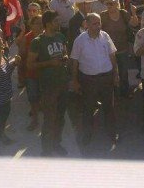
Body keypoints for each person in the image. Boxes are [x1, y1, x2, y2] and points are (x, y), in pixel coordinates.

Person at [71, 13, 119, 146]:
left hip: (106, 78)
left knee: (109, 107)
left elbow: (112, 56)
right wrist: (74, 80)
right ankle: (87, 135)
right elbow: (74, 61)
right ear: (87, 24)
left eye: (99, 23)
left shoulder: (105, 36)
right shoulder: (79, 40)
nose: (98, 26)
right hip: (89, 80)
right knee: (88, 108)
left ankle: (112, 132)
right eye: (95, 23)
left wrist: (116, 74)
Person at [28, 10, 70, 157]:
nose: (59, 23)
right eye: (56, 21)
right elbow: (30, 65)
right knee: (49, 118)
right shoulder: (37, 42)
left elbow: (65, 53)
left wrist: (64, 57)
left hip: (63, 83)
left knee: (60, 117)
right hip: (48, 86)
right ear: (48, 24)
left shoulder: (61, 36)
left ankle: (56, 143)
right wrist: (49, 63)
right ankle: (46, 150)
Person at [100, 0, 139, 97]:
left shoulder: (123, 13)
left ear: (117, 4)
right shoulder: (103, 15)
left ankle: (124, 92)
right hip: (108, 50)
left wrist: (134, 13)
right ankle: (111, 93)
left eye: (111, 3)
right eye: (107, 3)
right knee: (110, 72)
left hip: (123, 48)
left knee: (123, 72)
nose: (109, 6)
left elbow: (134, 24)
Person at [16, 15, 44, 130]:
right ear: (31, 25)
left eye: (42, 23)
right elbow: (22, 58)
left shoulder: (48, 36)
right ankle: (35, 119)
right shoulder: (27, 38)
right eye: (37, 23)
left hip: (45, 74)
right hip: (31, 74)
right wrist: (21, 77)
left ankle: (39, 107)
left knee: (43, 96)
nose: (40, 25)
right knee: (33, 97)